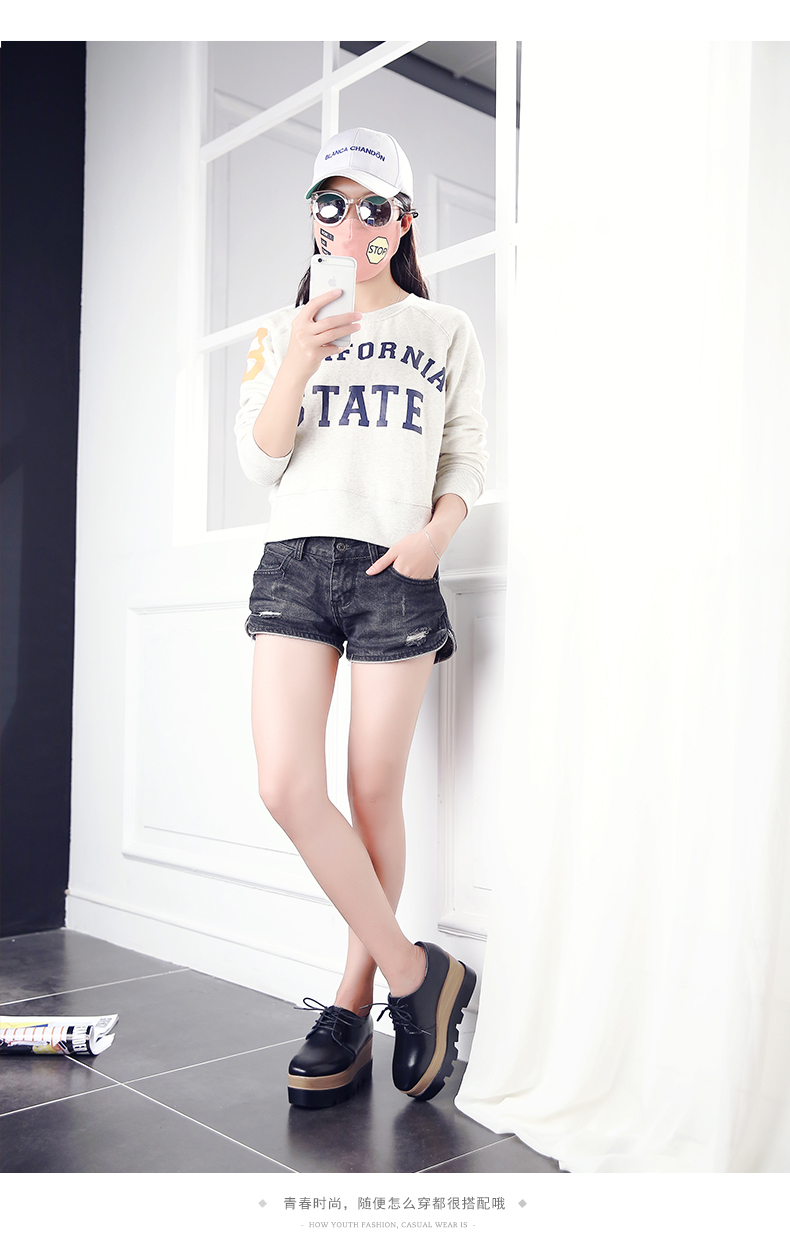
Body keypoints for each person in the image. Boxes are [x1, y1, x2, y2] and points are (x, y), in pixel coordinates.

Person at [235, 127, 487, 1109]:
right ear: (313, 216)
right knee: (287, 786)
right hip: (296, 565)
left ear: (403, 221)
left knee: (372, 793)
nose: (350, 222)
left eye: (373, 206)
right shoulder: (281, 328)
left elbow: (465, 452)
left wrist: (436, 532)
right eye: (330, 203)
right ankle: (417, 975)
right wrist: (299, 355)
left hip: (396, 568)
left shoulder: (444, 329)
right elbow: (259, 459)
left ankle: (350, 1002)